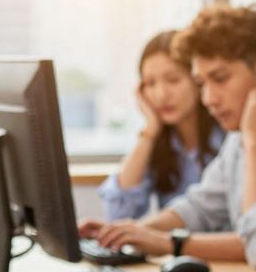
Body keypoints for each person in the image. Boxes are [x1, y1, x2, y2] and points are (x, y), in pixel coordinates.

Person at [79, 4, 256, 270]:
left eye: (220, 79)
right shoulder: (239, 134)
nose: (208, 99)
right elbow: (198, 208)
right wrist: (130, 231)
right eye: (201, 84)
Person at [96, 30, 225, 221]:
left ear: (198, 80)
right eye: (150, 83)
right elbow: (118, 214)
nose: (161, 95)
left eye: (173, 80)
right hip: (173, 249)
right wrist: (149, 132)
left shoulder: (227, 137)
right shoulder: (160, 143)